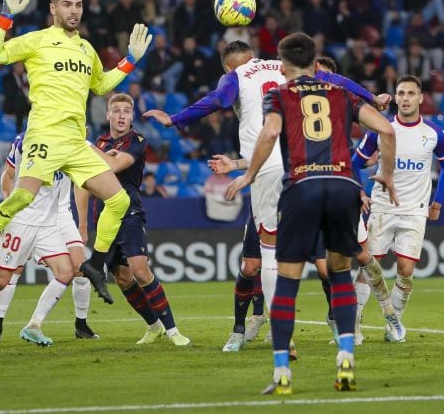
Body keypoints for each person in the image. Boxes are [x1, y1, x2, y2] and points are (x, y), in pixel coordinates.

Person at [145, 41, 390, 353]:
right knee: (332, 260)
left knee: (270, 251)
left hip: (266, 168)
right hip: (305, 165)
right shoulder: (284, 67)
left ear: (227, 66)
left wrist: (175, 119)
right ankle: (347, 337)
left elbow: (218, 100)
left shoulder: (236, 76)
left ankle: (282, 334)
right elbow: (336, 81)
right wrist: (373, 98)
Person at [0, 0, 154, 305]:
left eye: (78, 4)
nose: (74, 10)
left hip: (75, 141)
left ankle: (96, 265)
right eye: (67, 4)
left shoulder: (86, 49)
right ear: (53, 8)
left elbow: (101, 86)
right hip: (44, 135)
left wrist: (130, 60)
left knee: (119, 201)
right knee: (21, 198)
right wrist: (5, 17)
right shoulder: (37, 40)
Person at [224, 32, 398, 395]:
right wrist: (387, 174)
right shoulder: (341, 94)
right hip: (342, 188)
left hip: (302, 187)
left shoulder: (280, 94)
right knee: (338, 274)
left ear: (284, 67)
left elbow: (270, 133)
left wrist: (249, 175)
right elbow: (385, 128)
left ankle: (282, 373)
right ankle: (346, 358)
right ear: (318, 65)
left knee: (287, 279)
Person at [0, 132, 94, 351]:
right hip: (22, 220)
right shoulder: (26, 141)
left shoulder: (71, 141)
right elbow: (9, 174)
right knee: (1, 281)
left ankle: (33, 325)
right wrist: (10, 206)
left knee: (67, 271)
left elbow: (93, 168)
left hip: (48, 223)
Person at [79, 93, 190, 346]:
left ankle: (173, 330)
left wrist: (83, 145)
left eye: (126, 111)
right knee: (122, 277)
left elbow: (112, 167)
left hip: (129, 212)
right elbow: (83, 184)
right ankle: (154, 326)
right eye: (116, 110)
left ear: (131, 116)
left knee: (140, 270)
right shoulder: (101, 141)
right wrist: (82, 224)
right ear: (107, 115)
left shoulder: (137, 141)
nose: (121, 115)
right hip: (104, 217)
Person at [351, 75, 444, 339]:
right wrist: (359, 191)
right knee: (368, 266)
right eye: (401, 93)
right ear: (395, 98)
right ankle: (354, 324)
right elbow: (354, 164)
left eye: (410, 93)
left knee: (406, 270)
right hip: (383, 208)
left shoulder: (433, 133)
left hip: (415, 209)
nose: (405, 98)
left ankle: (392, 323)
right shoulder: (380, 128)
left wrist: (438, 201)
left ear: (420, 98)